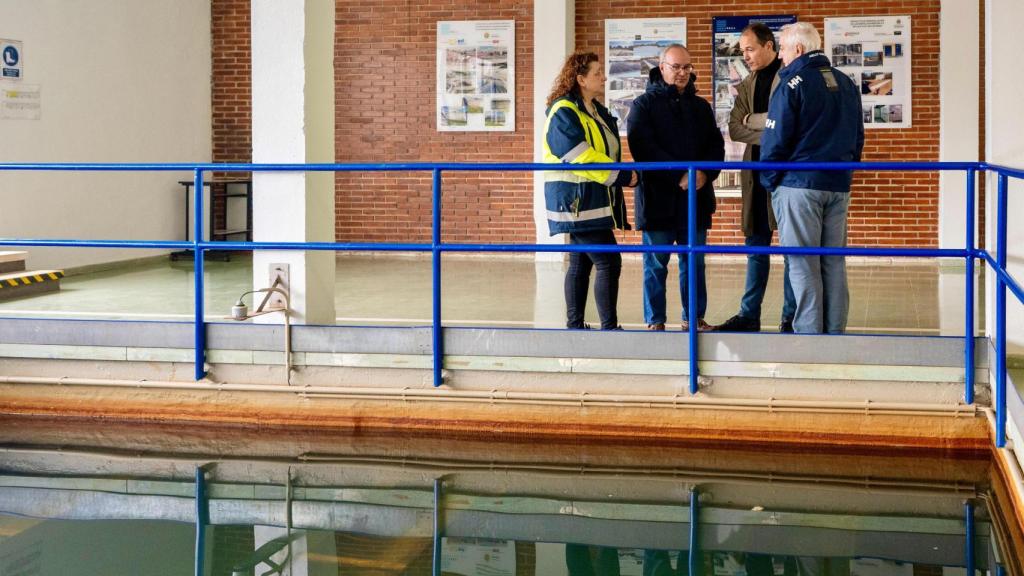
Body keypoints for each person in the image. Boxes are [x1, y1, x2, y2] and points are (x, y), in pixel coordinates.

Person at [760, 22, 865, 334]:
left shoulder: (792, 83)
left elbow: (775, 139)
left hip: (798, 187)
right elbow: (858, 138)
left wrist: (770, 180)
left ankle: (809, 339)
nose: (780, 56)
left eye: (782, 48)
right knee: (833, 262)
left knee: (802, 263)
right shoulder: (847, 84)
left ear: (799, 49)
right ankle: (834, 333)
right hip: (837, 185)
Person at [628, 44, 725, 332]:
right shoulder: (643, 105)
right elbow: (643, 148)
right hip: (658, 199)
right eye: (676, 67)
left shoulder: (701, 107)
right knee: (656, 264)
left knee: (693, 263)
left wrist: (704, 174)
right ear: (661, 68)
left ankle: (692, 318)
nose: (682, 73)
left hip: (695, 197)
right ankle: (655, 321)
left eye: (687, 67)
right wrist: (678, 175)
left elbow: (715, 146)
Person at [543, 51, 638, 330]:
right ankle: (609, 328)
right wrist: (621, 176)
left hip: (591, 199)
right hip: (576, 201)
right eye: (597, 72)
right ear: (581, 79)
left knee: (580, 264)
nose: (604, 77)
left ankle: (575, 326)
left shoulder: (595, 110)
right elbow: (578, 154)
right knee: (609, 261)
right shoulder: (564, 111)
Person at [713, 23, 796, 333]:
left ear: (769, 46)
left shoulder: (790, 78)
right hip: (755, 176)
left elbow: (792, 127)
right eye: (742, 50)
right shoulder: (747, 83)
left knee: (791, 250)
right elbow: (736, 128)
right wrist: (772, 129)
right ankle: (749, 315)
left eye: (749, 49)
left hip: (786, 177)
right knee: (756, 247)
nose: (744, 55)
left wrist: (758, 124)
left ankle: (790, 316)